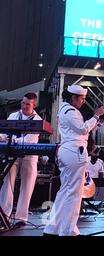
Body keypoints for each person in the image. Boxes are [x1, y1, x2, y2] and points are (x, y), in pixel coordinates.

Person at [43, 85, 104, 236]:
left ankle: (53, 228)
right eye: (82, 99)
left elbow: (83, 132)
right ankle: (68, 230)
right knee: (74, 193)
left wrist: (99, 121)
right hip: (74, 153)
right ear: (73, 98)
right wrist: (96, 116)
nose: (83, 102)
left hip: (69, 151)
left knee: (65, 191)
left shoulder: (66, 109)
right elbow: (83, 129)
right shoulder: (71, 111)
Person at [0, 93, 42, 227]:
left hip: (30, 155)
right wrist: (2, 137)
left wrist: (10, 139)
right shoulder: (13, 116)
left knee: (27, 186)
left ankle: (20, 218)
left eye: (27, 104)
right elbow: (5, 132)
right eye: (23, 103)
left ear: (34, 105)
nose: (24, 106)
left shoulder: (38, 119)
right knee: (7, 184)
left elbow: (30, 140)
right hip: (12, 153)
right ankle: (4, 215)